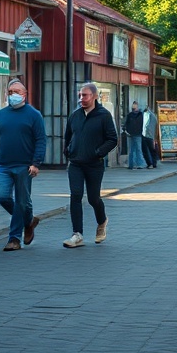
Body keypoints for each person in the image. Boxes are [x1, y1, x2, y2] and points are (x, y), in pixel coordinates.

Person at [0, 79, 47, 252]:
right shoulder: (1, 114)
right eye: (10, 92)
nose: (13, 95)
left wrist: (36, 163)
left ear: (25, 95)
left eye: (17, 92)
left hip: (25, 166)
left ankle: (14, 239)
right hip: (4, 165)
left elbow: (41, 140)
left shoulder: (34, 115)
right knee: (3, 197)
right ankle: (29, 221)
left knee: (21, 202)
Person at [63, 82, 118, 248]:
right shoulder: (75, 115)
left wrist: (98, 152)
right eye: (80, 95)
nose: (81, 99)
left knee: (94, 198)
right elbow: (67, 136)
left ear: (94, 96)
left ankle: (102, 222)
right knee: (76, 195)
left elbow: (112, 139)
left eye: (85, 95)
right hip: (76, 164)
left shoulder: (104, 115)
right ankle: (77, 234)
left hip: (94, 164)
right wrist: (68, 151)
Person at [125, 101, 147, 169]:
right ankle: (132, 164)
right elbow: (127, 124)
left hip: (137, 134)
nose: (134, 107)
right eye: (133, 105)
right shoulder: (131, 115)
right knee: (132, 150)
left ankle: (138, 164)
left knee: (137, 149)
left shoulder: (141, 114)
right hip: (132, 134)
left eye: (135, 105)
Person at [142, 104, 158, 169]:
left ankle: (150, 163)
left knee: (146, 151)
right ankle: (153, 163)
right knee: (152, 150)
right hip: (150, 135)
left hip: (146, 135)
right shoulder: (154, 116)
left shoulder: (144, 115)